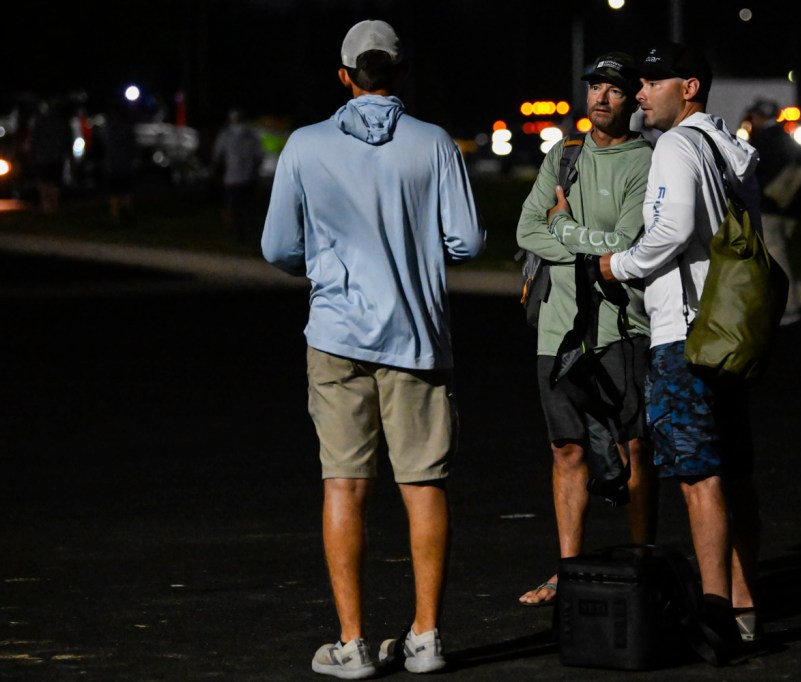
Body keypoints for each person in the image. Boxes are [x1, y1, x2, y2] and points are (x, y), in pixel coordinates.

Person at [261, 19, 485, 679]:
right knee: (423, 484)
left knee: (344, 482)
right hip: (415, 335)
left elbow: (277, 247)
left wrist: (325, 266)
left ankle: (352, 644)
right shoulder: (433, 142)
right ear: (400, 71)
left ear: (344, 76)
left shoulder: (305, 146)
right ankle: (426, 637)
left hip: (336, 334)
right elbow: (468, 241)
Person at [598, 43, 764, 658]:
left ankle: (714, 617)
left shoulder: (674, 145)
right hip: (728, 333)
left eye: (652, 82)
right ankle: (744, 608)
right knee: (736, 475)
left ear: (688, 87)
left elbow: (672, 228)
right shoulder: (728, 146)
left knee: (699, 477)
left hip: (685, 336)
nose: (639, 93)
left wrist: (619, 265)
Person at [516, 52, 657, 607]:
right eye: (595, 86)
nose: (601, 97)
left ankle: (642, 564)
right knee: (566, 450)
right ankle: (569, 572)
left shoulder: (645, 160)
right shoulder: (565, 154)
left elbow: (627, 246)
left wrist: (564, 228)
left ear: (632, 100)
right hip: (556, 329)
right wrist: (583, 250)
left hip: (622, 325)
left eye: (614, 89)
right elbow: (528, 228)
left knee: (633, 447)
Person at [746, 98, 801, 325]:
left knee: (774, 260)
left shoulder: (761, 140)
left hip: (767, 209)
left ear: (759, 117)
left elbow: (753, 175)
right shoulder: (786, 138)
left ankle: (787, 308)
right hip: (786, 209)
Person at [212, 108, 264, 248]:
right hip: (245, 178)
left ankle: (240, 235)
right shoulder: (250, 135)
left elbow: (217, 157)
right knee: (245, 208)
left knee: (236, 208)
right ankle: (242, 235)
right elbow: (259, 157)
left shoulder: (227, 135)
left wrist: (218, 173)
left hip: (235, 179)